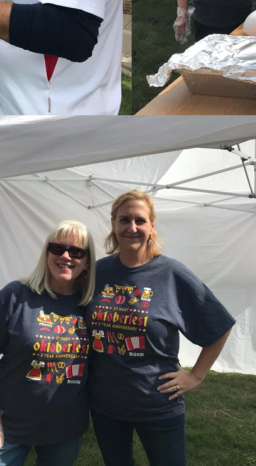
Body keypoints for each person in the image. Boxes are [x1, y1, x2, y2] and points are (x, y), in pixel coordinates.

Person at [88, 191, 234, 466]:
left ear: (152, 226)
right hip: (105, 405)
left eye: (140, 220)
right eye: (124, 220)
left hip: (158, 403)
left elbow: (220, 324)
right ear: (114, 224)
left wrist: (196, 376)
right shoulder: (97, 272)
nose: (132, 227)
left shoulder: (171, 273)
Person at [0, 221, 96, 466]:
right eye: (57, 248)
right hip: (7, 425)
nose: (65, 256)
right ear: (46, 252)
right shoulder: (15, 295)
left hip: (64, 427)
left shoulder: (92, 304)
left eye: (76, 251)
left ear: (87, 261)